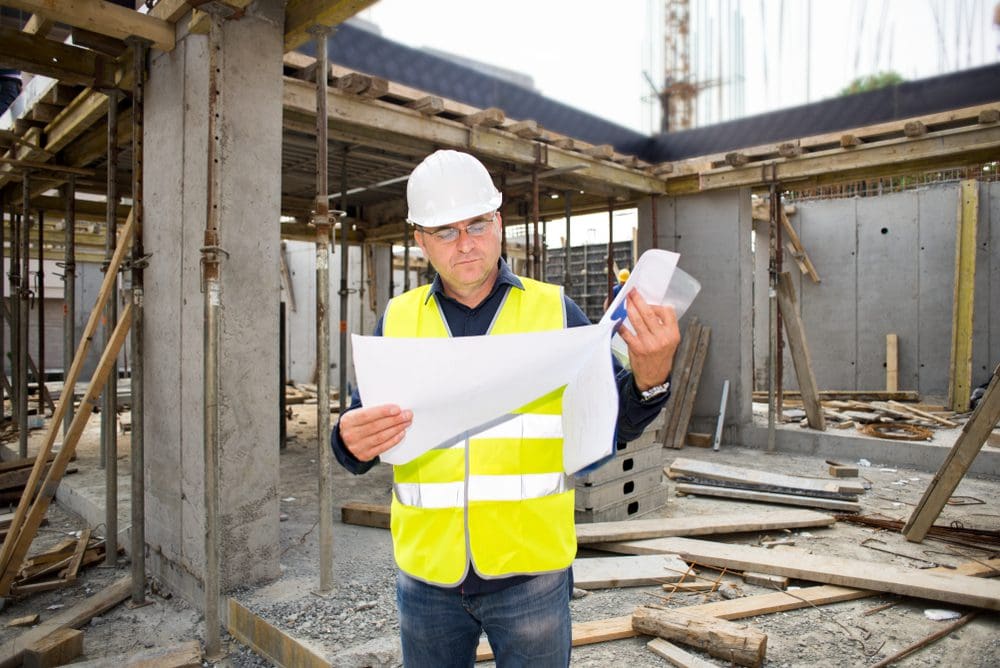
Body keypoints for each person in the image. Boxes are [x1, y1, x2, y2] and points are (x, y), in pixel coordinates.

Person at [331, 149, 681, 667]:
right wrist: (346, 439)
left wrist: (651, 378)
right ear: (419, 239)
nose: (466, 244)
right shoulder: (397, 321)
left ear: (499, 221)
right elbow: (359, 436)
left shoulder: (553, 310)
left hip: (531, 577)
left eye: (477, 223)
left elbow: (614, 421)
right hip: (428, 580)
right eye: (445, 232)